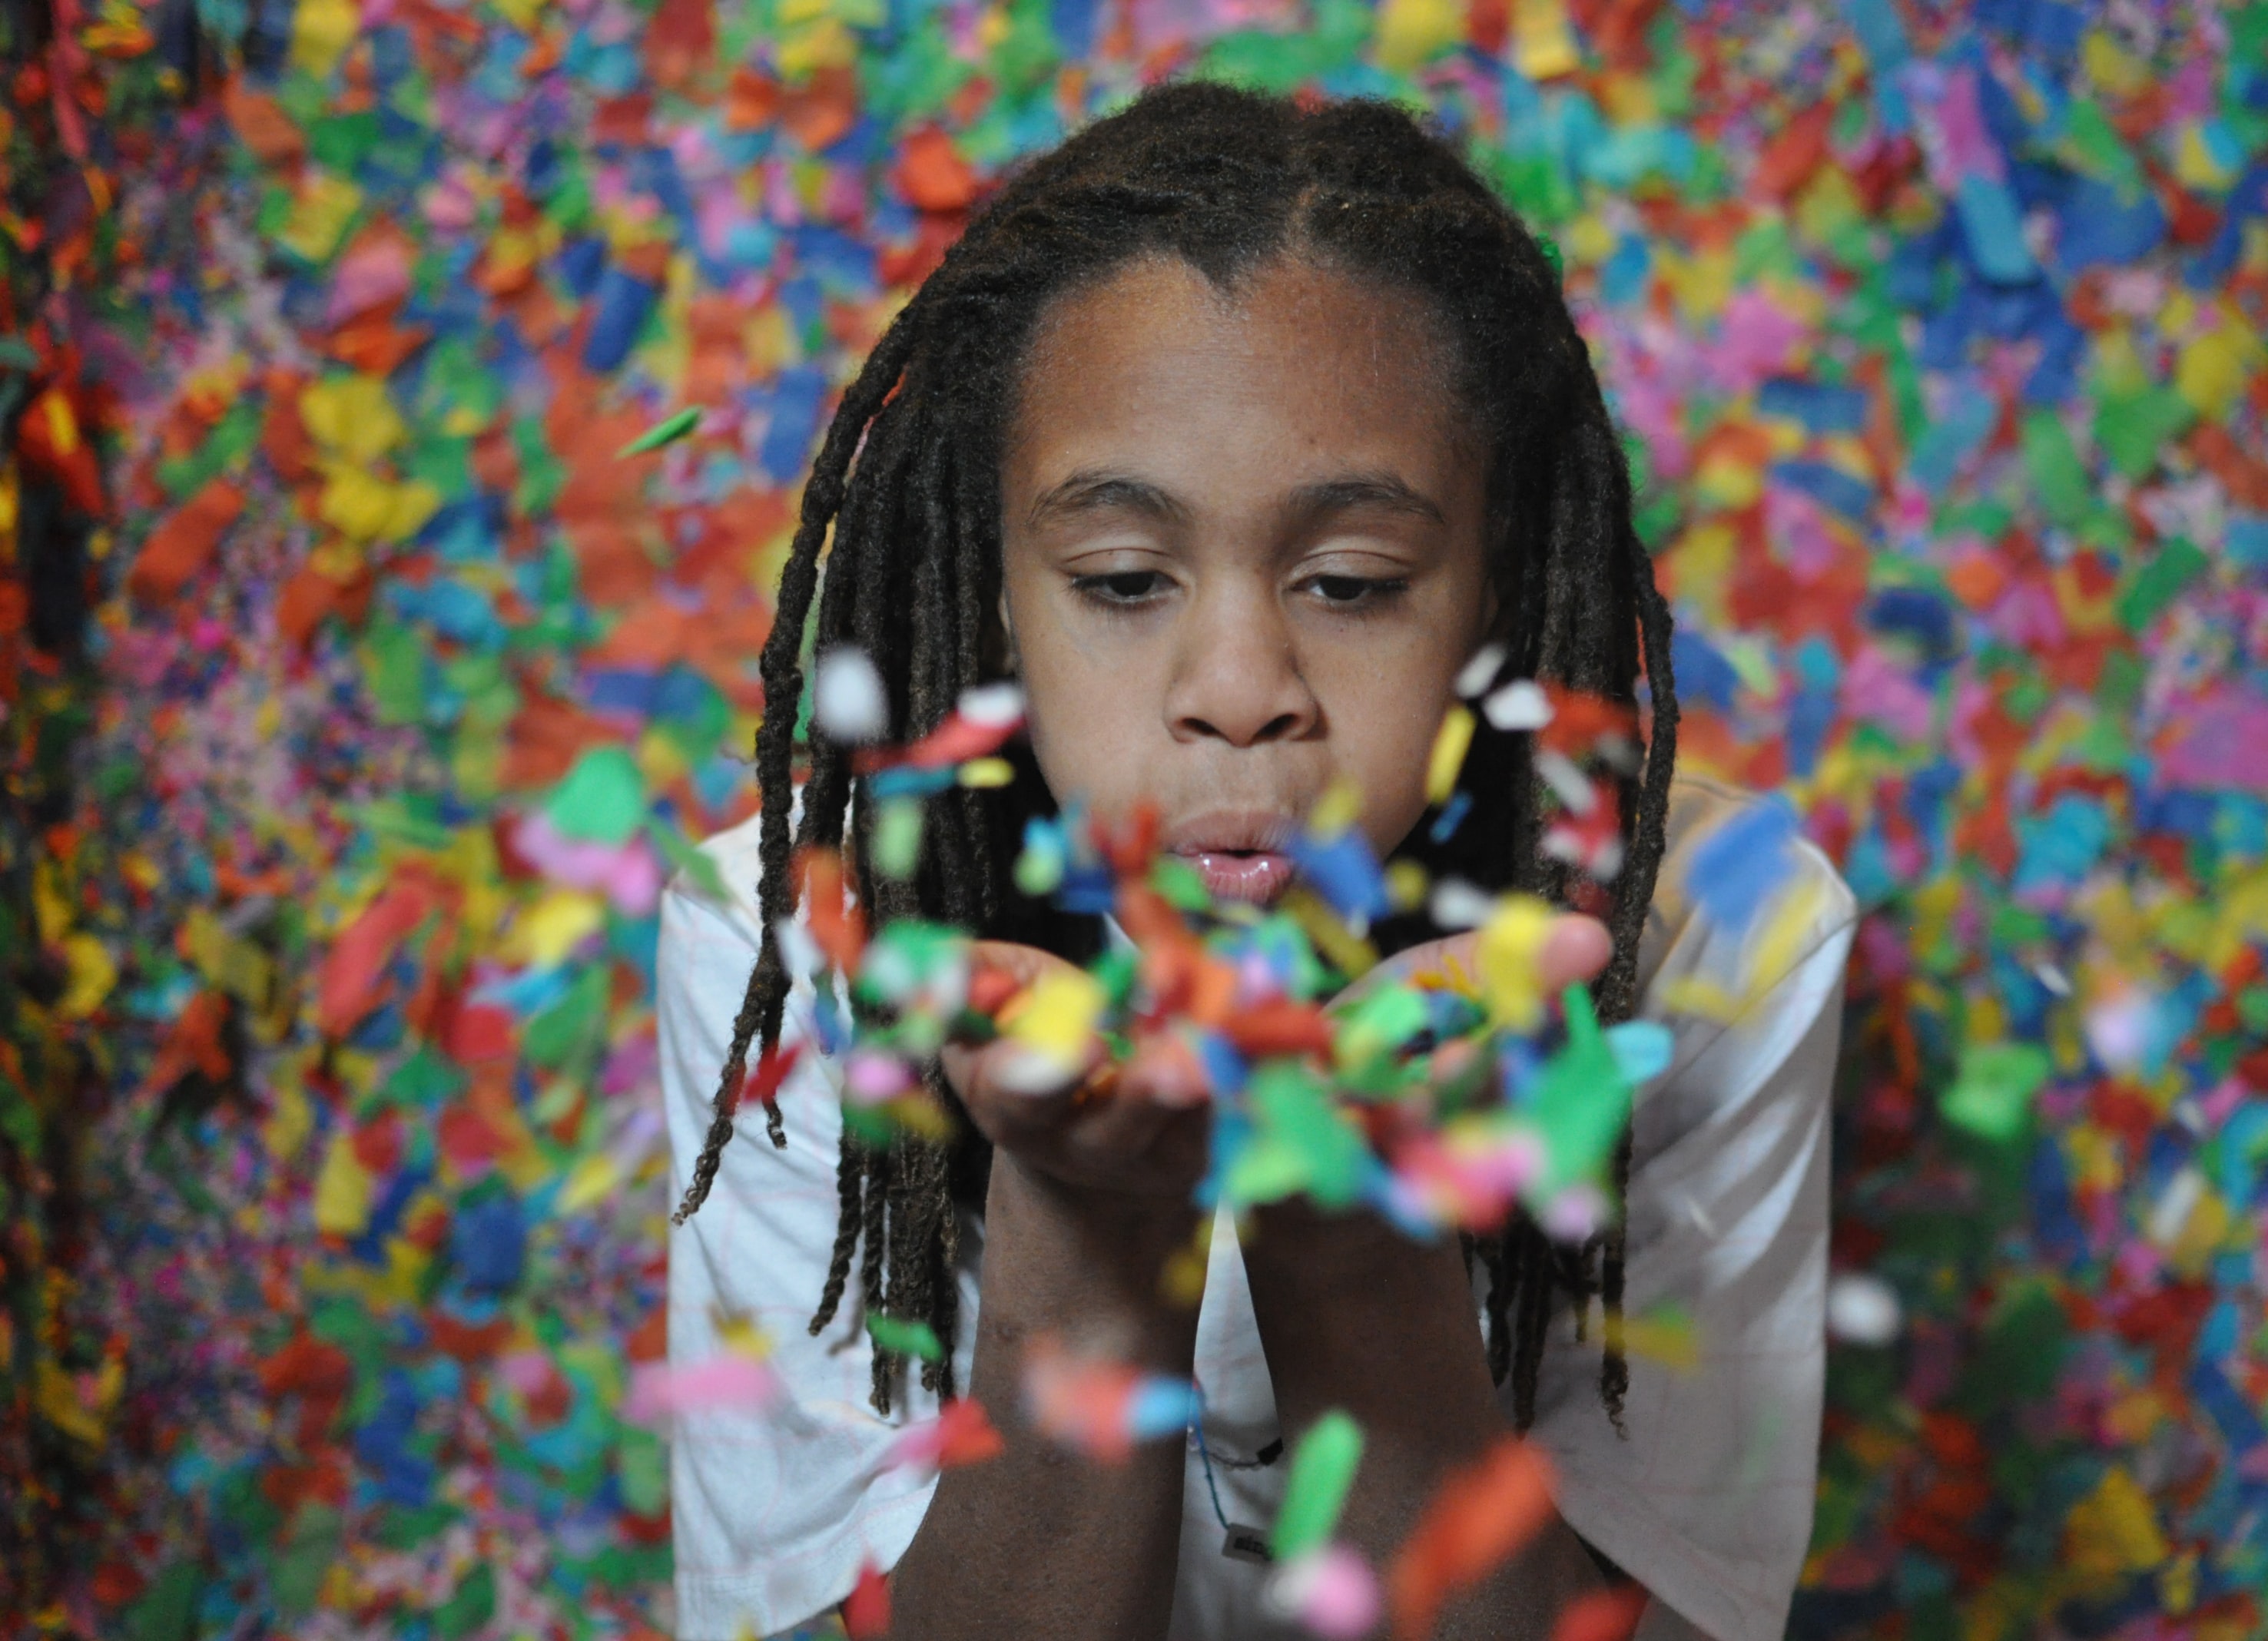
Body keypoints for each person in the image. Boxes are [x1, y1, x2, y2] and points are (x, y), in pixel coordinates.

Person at [658, 82, 1855, 1641]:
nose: (1237, 686)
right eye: (1123, 576)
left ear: (1489, 595)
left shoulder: (1710, 937)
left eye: (1352, 583)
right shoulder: (799, 942)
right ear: (1005, 589)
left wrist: (1355, 1240)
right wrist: (1085, 1226)